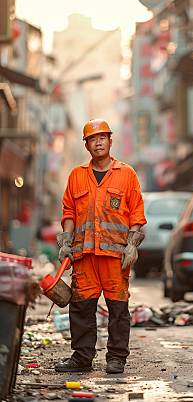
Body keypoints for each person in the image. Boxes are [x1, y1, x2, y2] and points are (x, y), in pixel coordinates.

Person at [55, 119, 146, 374]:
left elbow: (136, 212)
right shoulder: (76, 175)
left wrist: (132, 244)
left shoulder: (126, 174)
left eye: (102, 138)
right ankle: (82, 357)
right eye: (92, 139)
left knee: (118, 308)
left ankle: (116, 358)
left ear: (110, 141)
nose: (98, 142)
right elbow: (69, 212)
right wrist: (66, 242)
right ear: (86, 145)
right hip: (84, 255)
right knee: (81, 308)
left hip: (116, 257)